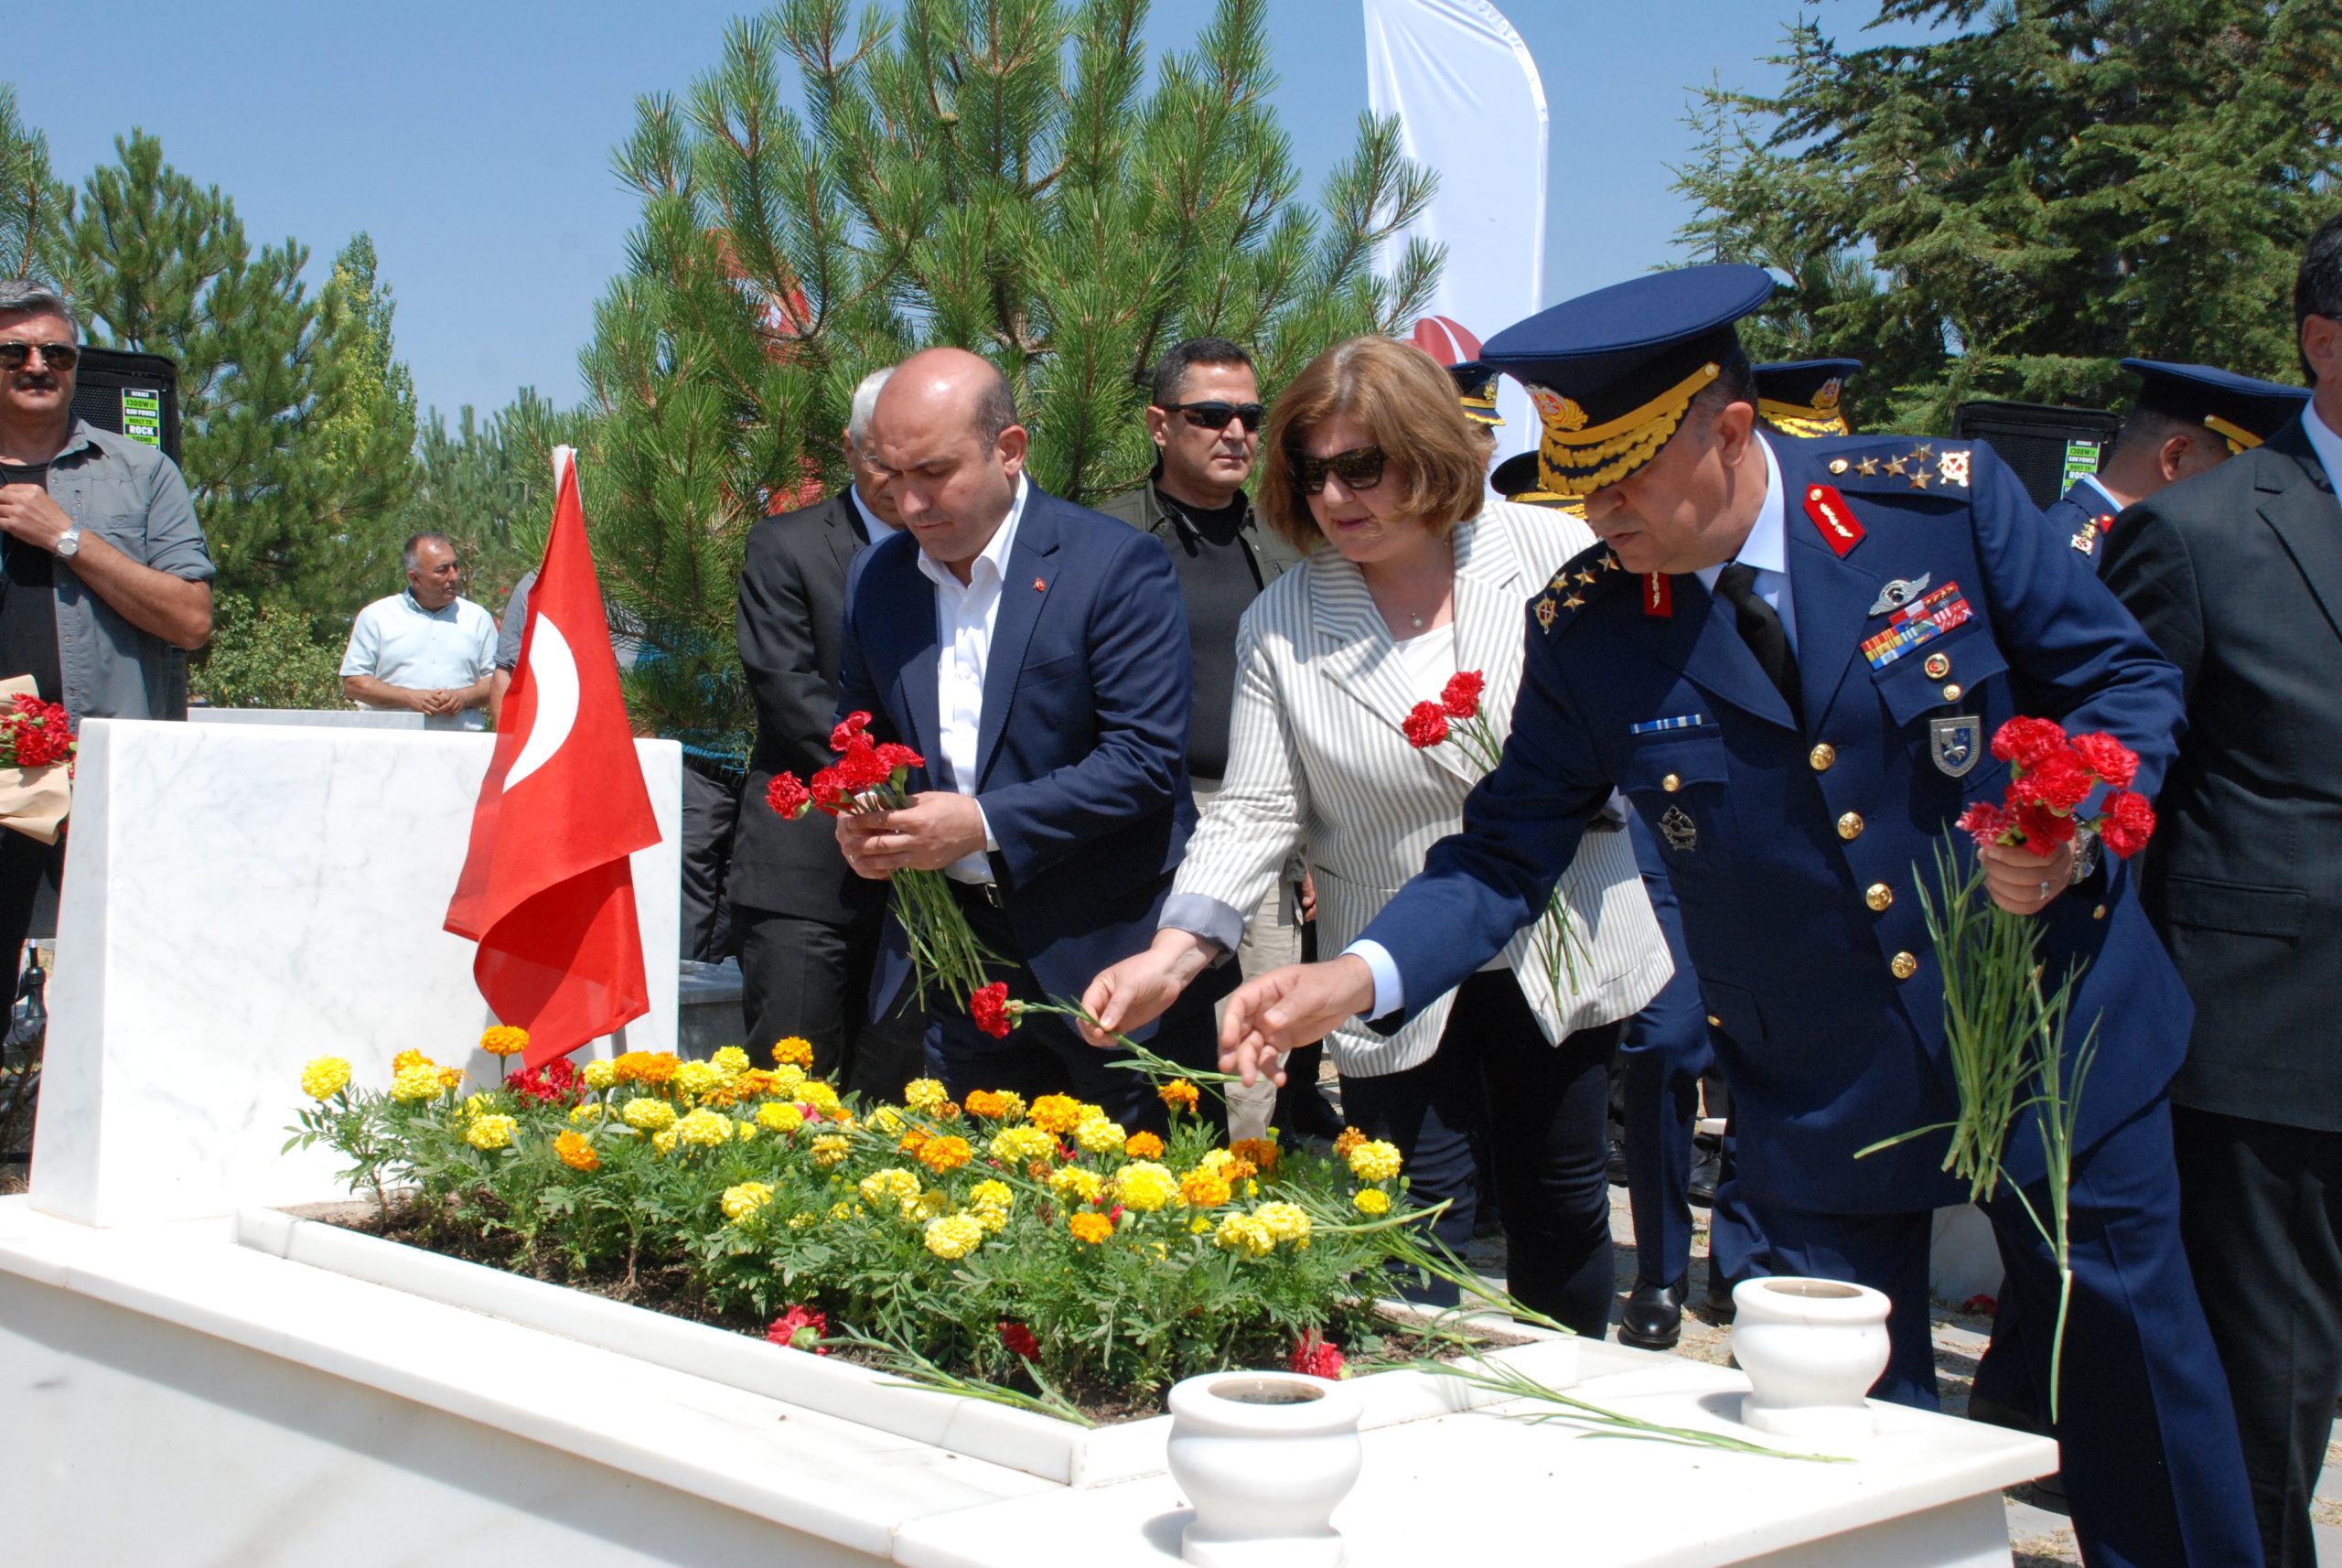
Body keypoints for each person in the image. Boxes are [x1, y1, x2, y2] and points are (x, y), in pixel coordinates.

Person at [1215, 264, 2261, 1568]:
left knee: (2138, 1395)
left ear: (1728, 429)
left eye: (1626, 479)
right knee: (1854, 1453)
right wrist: (1359, 975)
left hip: (2056, 1036)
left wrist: (2075, 823)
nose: (1598, 512)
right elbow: (1503, 850)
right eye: (1580, 481)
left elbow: (2121, 680)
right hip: (1823, 1085)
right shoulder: (1591, 626)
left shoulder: (1936, 511)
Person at [1080, 336, 1671, 1335]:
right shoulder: (1283, 619)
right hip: (1384, 968)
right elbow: (1254, 810)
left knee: (1563, 1203)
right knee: (1407, 1221)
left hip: (1559, 936)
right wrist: (1172, 956)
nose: (1333, 496)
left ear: (1428, 450)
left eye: (1361, 466)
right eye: (1310, 472)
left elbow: (1640, 719)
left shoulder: (1552, 554)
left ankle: (1563, 1398)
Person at [2096, 212, 2342, 1568]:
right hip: (2273, 1052)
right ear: (2323, 341)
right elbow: (2127, 787)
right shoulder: (2196, 534)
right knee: (2265, 1410)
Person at [833, 348, 1231, 1129]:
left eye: (934, 473)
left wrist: (981, 823)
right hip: (965, 968)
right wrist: (864, 818)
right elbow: (861, 734)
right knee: (984, 1190)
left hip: (1114, 957)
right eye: (890, 474)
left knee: (1145, 1195)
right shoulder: (878, 579)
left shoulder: (1113, 564)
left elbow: (1143, 762)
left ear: (1010, 450)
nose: (909, 503)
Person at [1093, 338, 1325, 1138]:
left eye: (1250, 417)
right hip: (1137, 818)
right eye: (1211, 415)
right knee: (1136, 1025)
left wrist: (1309, 837)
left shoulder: (1292, 540)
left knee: (1253, 1038)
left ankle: (1242, 1187)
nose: (1235, 432)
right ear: (1160, 425)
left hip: (1261, 814)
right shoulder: (1105, 538)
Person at [0, 279, 215, 977]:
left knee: (126, 982)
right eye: (14, 353)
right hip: (2, 776)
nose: (37, 366)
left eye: (56, 353)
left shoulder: (143, 472)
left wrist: (67, 538)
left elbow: (191, 620)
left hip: (110, 775)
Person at [727, 367, 928, 1097]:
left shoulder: (956, 554)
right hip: (807, 870)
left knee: (900, 1098)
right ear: (849, 448)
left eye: (923, 464)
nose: (902, 484)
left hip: (923, 876)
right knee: (793, 1089)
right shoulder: (787, 547)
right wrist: (891, 777)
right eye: (882, 462)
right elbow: (787, 686)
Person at [2052, 359, 2309, 568]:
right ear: (2176, 457)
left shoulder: (2131, 547)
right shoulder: (2072, 557)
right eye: (2231, 474)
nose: (2240, 494)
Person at [340, 532, 497, 728]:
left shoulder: (477, 618)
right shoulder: (377, 616)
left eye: (456, 566)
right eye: (443, 570)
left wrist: (462, 697)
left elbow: (497, 681)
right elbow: (355, 683)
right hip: (392, 742)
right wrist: (408, 697)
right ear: (415, 578)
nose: (454, 576)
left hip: (460, 743)